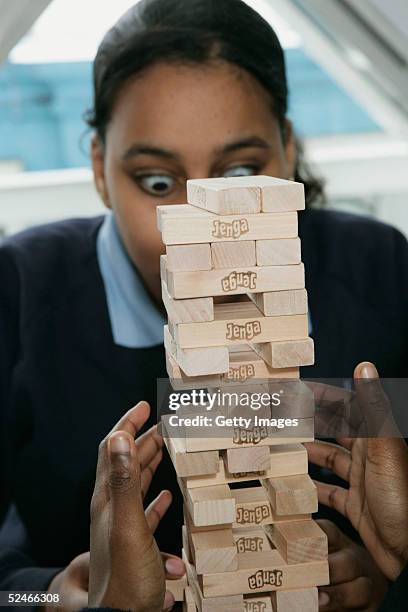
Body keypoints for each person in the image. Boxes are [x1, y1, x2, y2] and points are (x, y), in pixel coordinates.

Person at [0, 0, 407, 610]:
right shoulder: (20, 289)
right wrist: (52, 600)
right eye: (158, 184)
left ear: (287, 151)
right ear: (99, 170)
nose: (199, 230)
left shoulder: (378, 270)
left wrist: (389, 578)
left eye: (241, 173)